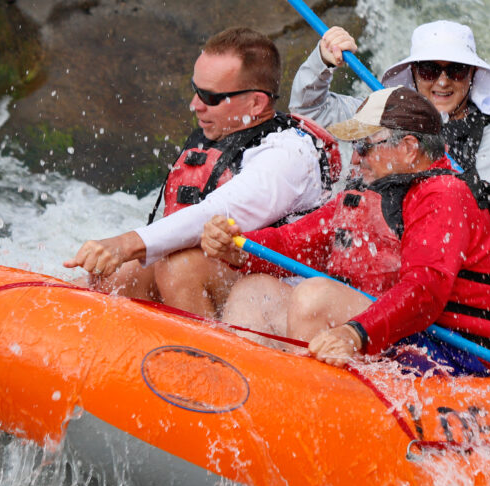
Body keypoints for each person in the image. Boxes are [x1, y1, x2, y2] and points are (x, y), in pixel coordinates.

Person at [202, 87, 490, 370]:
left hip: (454, 353)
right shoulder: (368, 194)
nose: (357, 156)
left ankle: (305, 409)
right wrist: (238, 248)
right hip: (393, 331)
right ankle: (247, 397)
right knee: (254, 291)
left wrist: (355, 333)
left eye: (366, 144)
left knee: (315, 298)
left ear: (409, 147)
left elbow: (424, 291)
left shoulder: (444, 194)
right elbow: (291, 242)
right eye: (356, 145)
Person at [63, 27, 339, 316]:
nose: (195, 106)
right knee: (119, 275)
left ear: (256, 102)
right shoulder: (220, 133)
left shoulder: (290, 153)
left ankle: (203, 358)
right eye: (196, 90)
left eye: (210, 97)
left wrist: (125, 243)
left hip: (282, 300)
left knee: (178, 266)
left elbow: (219, 211)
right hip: (224, 277)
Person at [289, 20, 490, 220]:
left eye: (456, 70)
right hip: (371, 249)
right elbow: (307, 111)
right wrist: (321, 60)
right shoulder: (379, 112)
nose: (443, 81)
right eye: (429, 69)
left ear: (473, 74)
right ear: (413, 73)